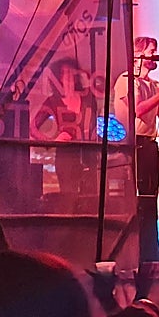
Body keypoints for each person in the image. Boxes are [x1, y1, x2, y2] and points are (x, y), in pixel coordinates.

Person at [114, 36, 159, 271]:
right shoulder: (127, 81)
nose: (155, 55)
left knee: (150, 199)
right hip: (133, 145)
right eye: (151, 50)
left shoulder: (154, 84)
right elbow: (138, 109)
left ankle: (152, 249)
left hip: (150, 144)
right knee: (138, 200)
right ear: (138, 55)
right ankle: (137, 250)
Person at [33, 57, 99, 211]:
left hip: (89, 155)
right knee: (69, 201)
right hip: (66, 157)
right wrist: (52, 141)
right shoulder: (53, 101)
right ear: (58, 77)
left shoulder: (88, 97)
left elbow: (96, 123)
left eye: (71, 72)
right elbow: (33, 127)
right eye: (64, 73)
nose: (69, 76)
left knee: (90, 201)